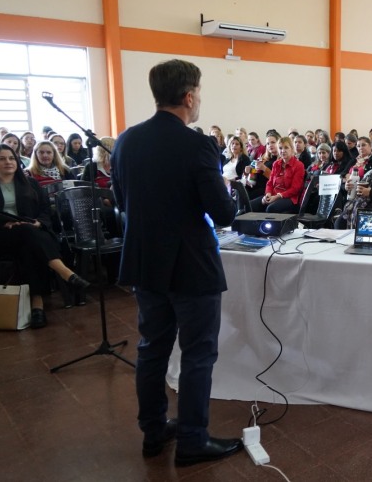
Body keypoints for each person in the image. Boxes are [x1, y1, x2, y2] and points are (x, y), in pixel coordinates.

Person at [110, 59, 242, 465]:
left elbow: (120, 202)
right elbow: (222, 213)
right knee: (199, 352)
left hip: (146, 262)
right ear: (189, 95)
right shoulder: (197, 144)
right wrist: (228, 190)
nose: (199, 99)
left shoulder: (127, 140)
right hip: (191, 266)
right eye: (199, 91)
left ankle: (153, 431)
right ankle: (192, 440)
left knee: (152, 349)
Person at [0, 144, 90, 329]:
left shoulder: (30, 183)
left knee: (29, 242)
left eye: (11, 158)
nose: (8, 162)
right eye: (1, 158)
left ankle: (37, 306)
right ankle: (65, 274)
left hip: (30, 235)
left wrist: (39, 222)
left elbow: (44, 211)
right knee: (30, 235)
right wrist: (3, 223)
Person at [251, 137, 305, 214]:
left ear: (292, 149)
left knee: (271, 208)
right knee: (250, 205)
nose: (283, 151)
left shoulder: (299, 165)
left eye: (286, 148)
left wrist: (277, 196)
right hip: (273, 195)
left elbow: (295, 189)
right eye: (280, 148)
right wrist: (268, 194)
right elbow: (269, 183)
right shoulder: (276, 164)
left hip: (290, 198)